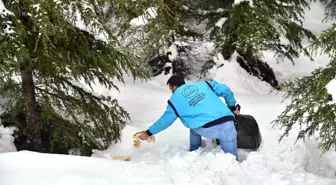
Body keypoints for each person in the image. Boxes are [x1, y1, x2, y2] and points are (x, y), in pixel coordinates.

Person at [137, 75, 240, 160]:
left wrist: (148, 133)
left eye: (170, 88)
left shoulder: (174, 100)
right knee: (231, 160)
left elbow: (165, 121)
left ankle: (195, 150)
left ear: (173, 87)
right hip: (228, 124)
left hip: (207, 129)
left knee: (194, 126)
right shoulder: (204, 84)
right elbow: (225, 90)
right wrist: (231, 107)